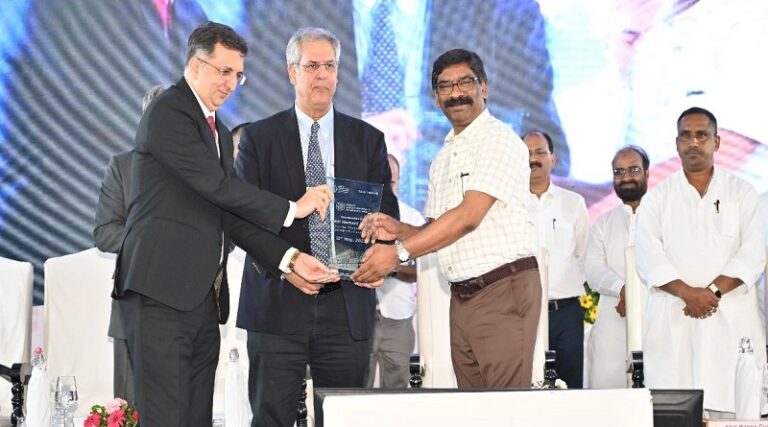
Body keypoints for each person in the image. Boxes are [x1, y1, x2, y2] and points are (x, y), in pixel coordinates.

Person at [114, 22, 339, 426]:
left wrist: (289, 260)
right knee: (166, 417)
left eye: (238, 75)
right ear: (195, 65)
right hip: (159, 295)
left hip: (200, 299)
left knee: (196, 417)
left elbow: (230, 215)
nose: (231, 83)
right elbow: (219, 188)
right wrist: (293, 207)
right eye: (223, 71)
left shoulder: (216, 129)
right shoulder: (169, 111)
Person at [234, 27, 398, 427]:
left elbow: (386, 216)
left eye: (329, 66)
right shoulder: (258, 138)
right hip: (277, 302)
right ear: (292, 73)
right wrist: (288, 264)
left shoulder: (368, 140)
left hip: (347, 303)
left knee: (343, 418)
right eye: (311, 66)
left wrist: (382, 252)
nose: (322, 74)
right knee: (271, 419)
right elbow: (243, 219)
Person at [352, 49, 541, 389]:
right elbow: (438, 230)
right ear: (436, 98)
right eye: (445, 86)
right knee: (472, 405)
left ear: (484, 87)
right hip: (462, 296)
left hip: (502, 288)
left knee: (505, 407)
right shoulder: (443, 157)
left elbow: (468, 217)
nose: (456, 93)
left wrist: (397, 253)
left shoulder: (498, 140)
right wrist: (399, 230)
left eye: (465, 82)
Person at [636, 107, 766, 417]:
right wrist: (687, 293)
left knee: (734, 409)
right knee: (676, 412)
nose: (693, 142)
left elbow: (753, 253)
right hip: (675, 320)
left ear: (717, 142)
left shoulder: (742, 192)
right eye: (686, 136)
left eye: (702, 135)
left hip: (730, 321)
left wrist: (711, 293)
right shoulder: (657, 198)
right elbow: (647, 256)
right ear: (676, 143)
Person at [92, 84, 169, 404]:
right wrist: (152, 238)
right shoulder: (122, 167)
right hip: (133, 305)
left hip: (191, 311)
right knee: (130, 412)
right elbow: (104, 232)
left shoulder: (203, 169)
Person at [524, 130, 589, 389]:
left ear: (554, 158)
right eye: (527, 153)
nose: (533, 159)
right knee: (527, 386)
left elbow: (584, 254)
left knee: (570, 388)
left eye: (540, 152)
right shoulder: (509, 206)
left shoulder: (574, 203)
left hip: (566, 314)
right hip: (524, 312)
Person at [584, 145, 649, 389]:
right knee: (606, 396)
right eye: (619, 172)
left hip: (655, 321)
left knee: (656, 400)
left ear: (647, 173)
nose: (626, 177)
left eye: (633, 169)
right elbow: (592, 269)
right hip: (612, 322)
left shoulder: (662, 218)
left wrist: (635, 294)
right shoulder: (603, 222)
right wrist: (622, 289)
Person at [367, 154, 424, 389]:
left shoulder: (412, 219)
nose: (386, 187)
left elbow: (420, 272)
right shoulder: (355, 216)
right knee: (356, 392)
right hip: (360, 319)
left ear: (399, 180)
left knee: (398, 391)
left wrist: (389, 265)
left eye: (391, 181)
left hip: (398, 317)